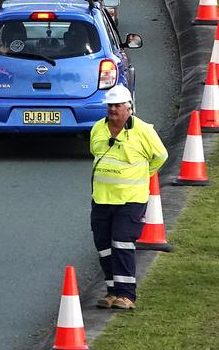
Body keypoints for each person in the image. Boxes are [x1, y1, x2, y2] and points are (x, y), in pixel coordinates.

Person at [89, 85, 167, 311]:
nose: (112, 109)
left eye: (117, 105)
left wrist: (143, 174)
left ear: (128, 108)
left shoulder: (143, 131)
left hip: (130, 199)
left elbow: (160, 156)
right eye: (109, 105)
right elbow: (95, 154)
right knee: (103, 244)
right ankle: (112, 291)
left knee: (122, 242)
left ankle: (126, 294)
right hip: (102, 198)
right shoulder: (97, 129)